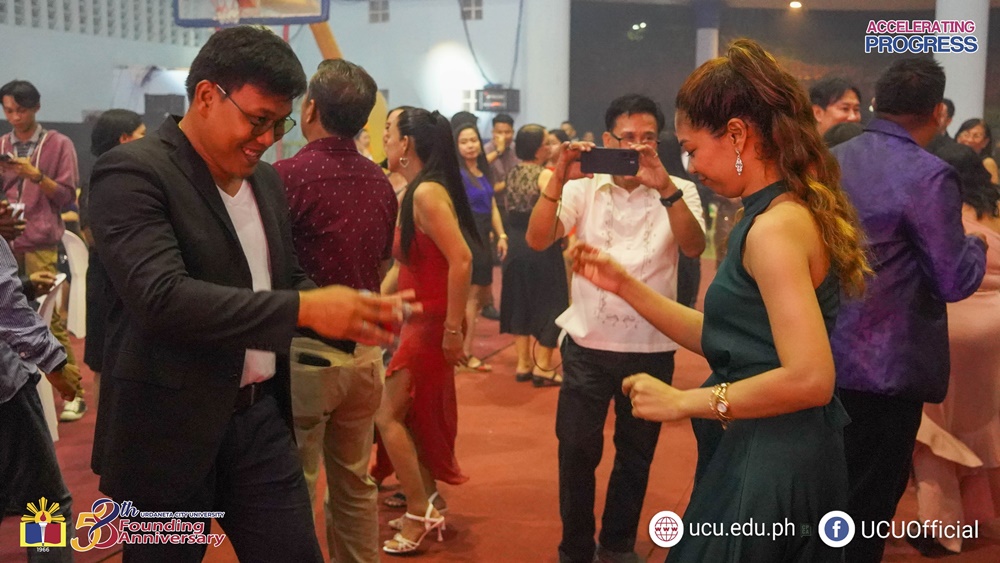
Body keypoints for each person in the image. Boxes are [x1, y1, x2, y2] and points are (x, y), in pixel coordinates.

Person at [87, 26, 412, 562]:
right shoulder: (133, 172)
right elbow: (162, 298)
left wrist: (345, 310)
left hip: (259, 422)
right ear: (207, 96)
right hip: (166, 432)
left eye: (280, 123)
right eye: (258, 120)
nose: (267, 138)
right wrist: (307, 307)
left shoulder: (265, 181)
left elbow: (280, 279)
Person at [569, 39, 869, 561]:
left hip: (772, 455)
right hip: (763, 442)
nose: (689, 164)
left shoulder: (775, 227)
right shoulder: (771, 213)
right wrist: (624, 285)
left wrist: (683, 402)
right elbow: (727, 338)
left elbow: (810, 379)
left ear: (736, 135)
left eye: (690, 148)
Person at [526, 93, 705, 563]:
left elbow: (693, 247)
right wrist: (558, 179)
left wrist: (664, 187)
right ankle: (575, 548)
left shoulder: (679, 190)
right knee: (576, 452)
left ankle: (617, 545)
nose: (637, 147)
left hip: (652, 347)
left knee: (636, 456)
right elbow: (538, 238)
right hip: (587, 344)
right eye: (627, 138)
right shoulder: (583, 188)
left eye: (648, 138)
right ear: (607, 140)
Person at [831, 57, 988, 563]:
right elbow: (952, 279)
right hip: (886, 366)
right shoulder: (929, 175)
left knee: (824, 494)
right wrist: (977, 245)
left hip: (818, 351)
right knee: (868, 503)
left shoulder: (829, 161)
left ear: (877, 102)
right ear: (938, 112)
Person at [273, 58, 398, 563]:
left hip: (305, 353)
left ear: (310, 110)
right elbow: (384, 260)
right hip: (366, 356)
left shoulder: (285, 176)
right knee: (355, 484)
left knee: (295, 488)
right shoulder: (379, 181)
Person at [373, 107, 475, 555]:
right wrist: (375, 304)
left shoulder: (427, 193)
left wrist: (452, 329)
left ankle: (419, 511)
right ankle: (427, 498)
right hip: (421, 320)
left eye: (389, 131)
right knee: (411, 416)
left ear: (407, 144)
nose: (384, 138)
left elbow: (462, 259)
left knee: (386, 415)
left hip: (432, 324)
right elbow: (407, 263)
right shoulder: (416, 190)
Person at [910, 142, 1000, 555]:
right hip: (995, 334)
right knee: (986, 423)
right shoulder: (994, 211)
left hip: (947, 328)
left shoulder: (934, 211)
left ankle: (942, 527)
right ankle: (982, 514)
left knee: (935, 431)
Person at [0, 204, 80, 563]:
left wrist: (26, 285)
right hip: (5, 394)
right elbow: (4, 304)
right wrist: (55, 361)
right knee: (44, 507)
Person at [0, 79, 83, 422]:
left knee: (49, 319)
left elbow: (67, 196)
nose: (14, 117)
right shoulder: (2, 144)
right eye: (8, 110)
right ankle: (22, 389)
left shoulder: (58, 144)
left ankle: (74, 393)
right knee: (8, 322)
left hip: (41, 240)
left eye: (20, 110)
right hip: (6, 241)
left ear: (36, 107)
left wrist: (35, 176)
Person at [79, 109, 146, 409]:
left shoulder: (136, 175)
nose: (148, 141)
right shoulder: (100, 177)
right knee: (104, 366)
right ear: (124, 139)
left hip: (128, 282)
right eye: (142, 135)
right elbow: (90, 234)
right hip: (107, 284)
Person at [501, 124, 568, 386]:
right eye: (547, 143)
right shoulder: (544, 176)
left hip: (516, 245)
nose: (550, 147)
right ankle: (543, 366)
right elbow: (556, 209)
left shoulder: (512, 173)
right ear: (539, 149)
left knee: (520, 301)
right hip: (541, 245)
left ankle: (523, 364)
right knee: (552, 301)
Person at [454, 122, 506, 371]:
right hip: (467, 235)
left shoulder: (482, 171)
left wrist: (502, 234)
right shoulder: (457, 175)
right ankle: (464, 353)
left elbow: (493, 205)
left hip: (484, 236)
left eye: (473, 140)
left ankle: (463, 351)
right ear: (456, 146)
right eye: (464, 141)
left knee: (478, 297)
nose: (470, 145)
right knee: (471, 298)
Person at [956, 118, 999, 185]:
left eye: (976, 136)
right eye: (966, 135)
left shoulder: (987, 163)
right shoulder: (950, 158)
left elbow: (993, 189)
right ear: (958, 138)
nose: (970, 140)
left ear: (985, 142)